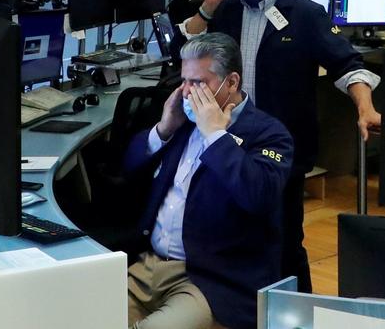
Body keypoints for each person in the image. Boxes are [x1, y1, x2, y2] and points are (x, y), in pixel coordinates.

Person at [176, 0, 382, 293]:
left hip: (281, 149)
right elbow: (187, 45)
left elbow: (350, 66)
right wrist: (208, 5)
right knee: (231, 238)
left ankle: (297, 313)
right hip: (226, 143)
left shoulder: (305, 14)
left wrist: (364, 107)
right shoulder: (227, 11)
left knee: (285, 242)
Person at [124, 33, 293, 329]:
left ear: (232, 82)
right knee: (89, 315)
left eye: (200, 83)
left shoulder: (269, 134)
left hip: (212, 279)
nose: (189, 93)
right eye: (185, 81)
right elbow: (128, 169)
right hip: (149, 265)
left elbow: (258, 195)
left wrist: (216, 135)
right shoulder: (181, 123)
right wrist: (164, 128)